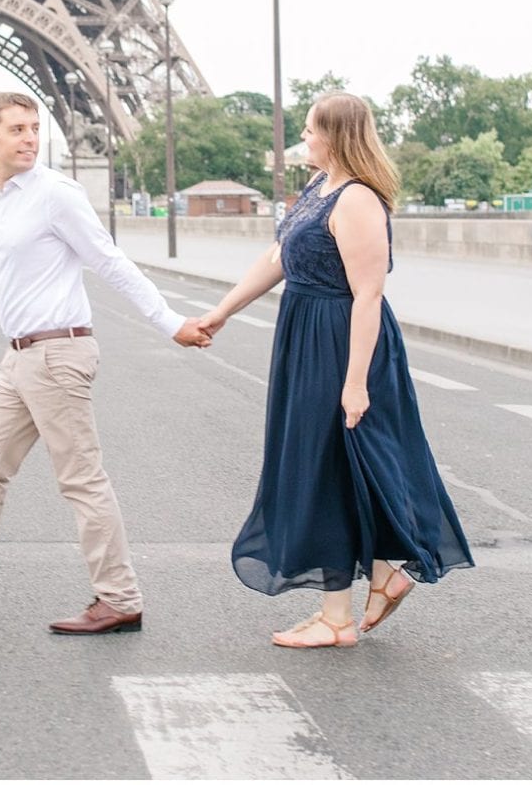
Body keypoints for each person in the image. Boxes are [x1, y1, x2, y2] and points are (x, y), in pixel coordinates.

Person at [0, 92, 213, 635]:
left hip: (58, 352)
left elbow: (108, 261)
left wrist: (169, 323)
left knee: (81, 479)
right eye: (16, 129)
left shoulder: (56, 195)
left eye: (34, 128)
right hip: (19, 356)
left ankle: (119, 597)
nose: (29, 138)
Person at [198, 91, 472, 648]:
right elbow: (277, 261)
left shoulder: (356, 201)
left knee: (329, 466)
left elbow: (368, 295)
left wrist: (354, 382)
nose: (304, 139)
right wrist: (220, 313)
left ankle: (339, 615)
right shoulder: (317, 191)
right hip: (307, 338)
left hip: (341, 343)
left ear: (335, 136)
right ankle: (376, 580)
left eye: (310, 130)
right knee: (331, 465)